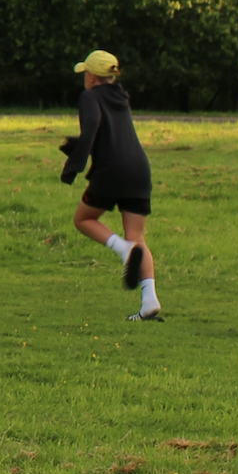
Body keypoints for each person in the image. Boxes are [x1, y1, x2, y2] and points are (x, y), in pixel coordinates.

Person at [59, 47, 161, 320]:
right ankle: (149, 301)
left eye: (85, 74)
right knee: (138, 237)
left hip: (111, 171)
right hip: (139, 169)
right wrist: (78, 146)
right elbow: (107, 133)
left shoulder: (89, 96)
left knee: (83, 219)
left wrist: (73, 167)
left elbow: (92, 127)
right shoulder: (121, 96)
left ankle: (122, 249)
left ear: (92, 77)